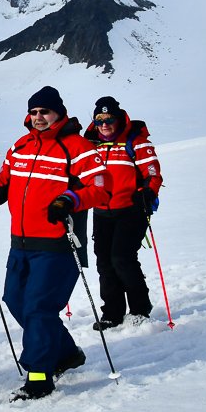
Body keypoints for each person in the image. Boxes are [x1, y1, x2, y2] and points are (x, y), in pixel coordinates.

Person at [0, 86, 108, 400]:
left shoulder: (78, 147)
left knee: (39, 307)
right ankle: (67, 354)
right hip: (22, 242)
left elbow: (100, 188)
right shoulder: (21, 146)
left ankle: (39, 376)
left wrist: (69, 199)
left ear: (58, 112)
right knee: (16, 301)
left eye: (45, 111)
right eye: (35, 112)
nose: (39, 117)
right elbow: (2, 183)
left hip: (58, 243)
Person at [84, 95, 163, 329]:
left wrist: (148, 193)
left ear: (118, 119)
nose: (105, 124)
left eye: (109, 119)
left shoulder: (136, 142)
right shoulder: (91, 144)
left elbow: (153, 173)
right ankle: (112, 313)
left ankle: (140, 309)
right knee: (104, 262)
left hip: (131, 209)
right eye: (99, 120)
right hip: (101, 211)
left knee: (122, 258)